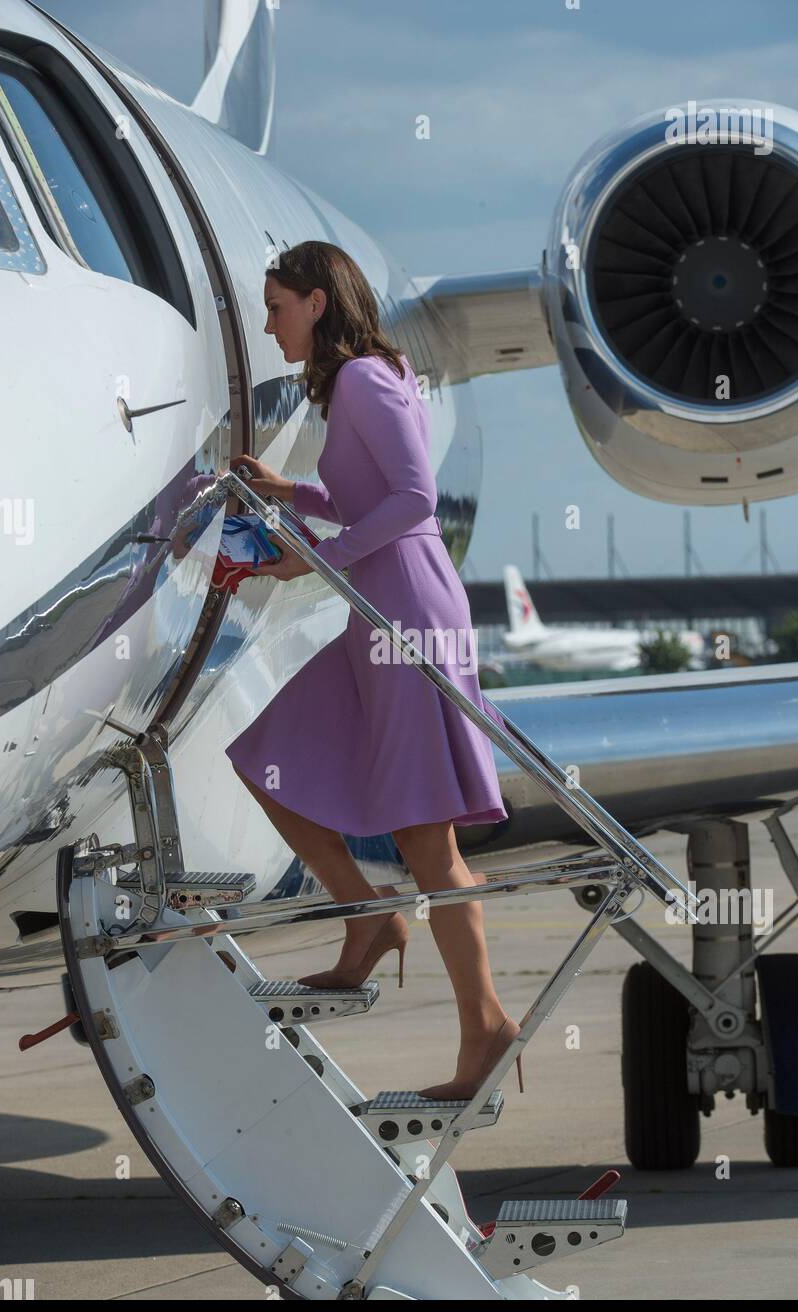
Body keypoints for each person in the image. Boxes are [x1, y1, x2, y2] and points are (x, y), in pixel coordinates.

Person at [224, 241, 522, 1100]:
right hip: (378, 610)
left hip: (408, 613)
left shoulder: (360, 379)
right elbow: (371, 495)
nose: (270, 323)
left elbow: (415, 499)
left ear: (317, 304)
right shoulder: (368, 381)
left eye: (277, 305)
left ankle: (486, 1028)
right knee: (267, 760)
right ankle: (370, 918)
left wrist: (311, 562)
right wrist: (291, 495)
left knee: (428, 838)